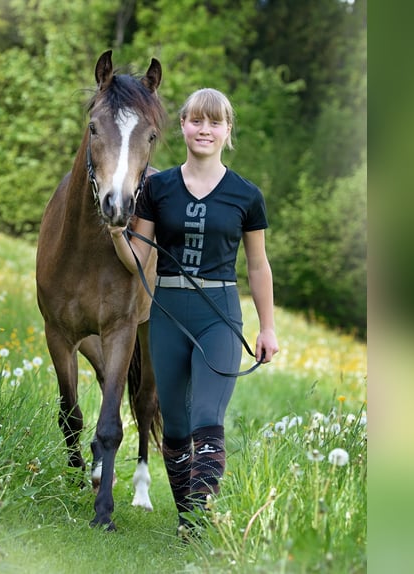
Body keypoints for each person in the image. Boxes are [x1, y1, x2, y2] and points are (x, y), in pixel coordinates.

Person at [109, 88, 279, 536]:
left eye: (215, 122)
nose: (205, 130)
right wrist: (115, 233)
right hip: (166, 311)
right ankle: (187, 516)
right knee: (178, 424)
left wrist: (269, 328)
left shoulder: (246, 195)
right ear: (182, 125)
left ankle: (200, 519)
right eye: (197, 121)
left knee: (207, 415)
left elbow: (258, 266)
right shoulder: (157, 188)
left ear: (227, 131)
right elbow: (137, 255)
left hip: (219, 314)